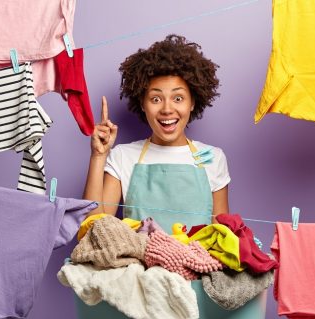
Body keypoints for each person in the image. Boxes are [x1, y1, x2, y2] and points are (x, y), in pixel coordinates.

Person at [83, 34, 230, 231]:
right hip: (139, 261)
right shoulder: (123, 156)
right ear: (142, 104)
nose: (167, 109)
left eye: (178, 98)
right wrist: (98, 157)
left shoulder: (213, 158)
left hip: (197, 262)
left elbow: (223, 238)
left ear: (193, 102)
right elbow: (93, 231)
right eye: (155, 99)